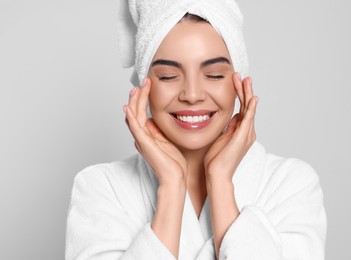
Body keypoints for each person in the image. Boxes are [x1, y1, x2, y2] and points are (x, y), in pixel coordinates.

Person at [65, 0, 327, 259]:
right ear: (144, 88)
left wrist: (221, 181)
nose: (192, 95)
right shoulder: (101, 189)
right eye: (168, 76)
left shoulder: (290, 185)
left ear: (239, 83)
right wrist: (170, 187)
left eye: (213, 75)